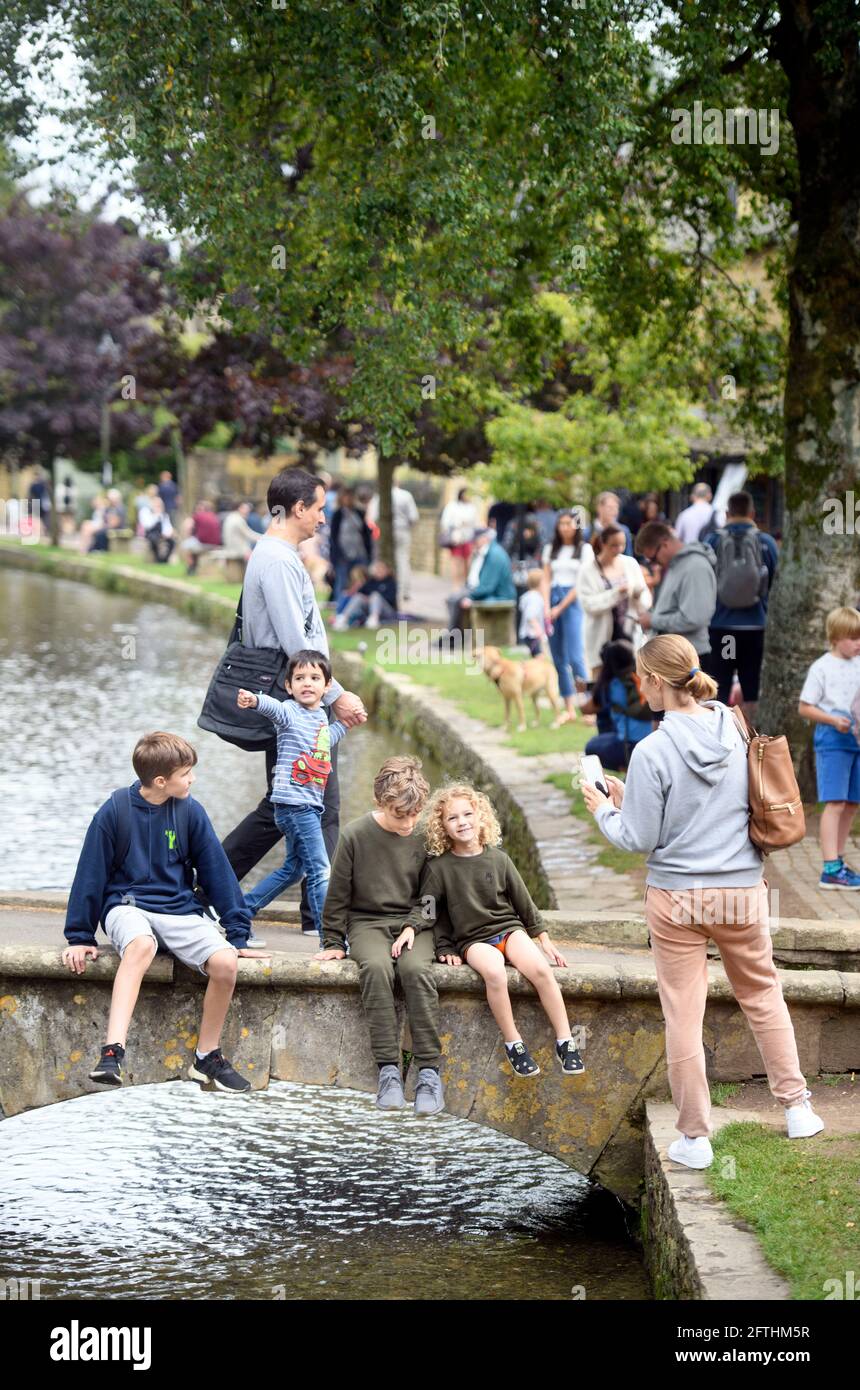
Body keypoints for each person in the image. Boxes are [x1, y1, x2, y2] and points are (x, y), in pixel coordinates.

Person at [582, 634, 823, 1168]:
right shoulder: (733, 724)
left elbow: (637, 838)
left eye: (641, 679)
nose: (637, 686)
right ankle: (798, 1108)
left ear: (655, 681)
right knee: (763, 995)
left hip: (677, 899)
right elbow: (712, 805)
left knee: (683, 1015)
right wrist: (631, 797)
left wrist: (602, 809)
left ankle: (694, 1139)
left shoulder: (653, 749)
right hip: (741, 889)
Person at [61, 732, 269, 1093]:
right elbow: (90, 873)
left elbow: (217, 873)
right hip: (127, 905)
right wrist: (79, 936)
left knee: (226, 962)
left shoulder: (190, 811)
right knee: (141, 945)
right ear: (161, 781)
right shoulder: (115, 811)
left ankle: (207, 1056)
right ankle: (113, 1052)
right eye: (186, 774)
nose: (192, 779)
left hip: (178, 909)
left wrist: (237, 934)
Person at [220, 468, 367, 935]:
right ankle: (311, 915)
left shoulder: (275, 555)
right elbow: (293, 641)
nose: (324, 517)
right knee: (306, 806)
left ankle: (306, 911)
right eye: (319, 507)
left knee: (296, 804)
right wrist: (336, 695)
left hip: (305, 701)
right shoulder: (279, 561)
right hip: (303, 706)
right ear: (298, 508)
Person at [412, 784, 585, 1078]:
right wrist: (443, 947)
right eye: (452, 818)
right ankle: (513, 1043)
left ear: (481, 817)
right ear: (441, 825)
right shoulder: (438, 868)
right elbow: (432, 911)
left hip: (508, 929)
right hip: (473, 939)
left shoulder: (499, 859)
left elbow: (524, 903)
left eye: (468, 814)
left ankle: (565, 1040)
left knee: (541, 970)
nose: (462, 822)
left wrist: (544, 939)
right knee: (494, 972)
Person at [316, 756, 445, 1115]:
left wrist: (412, 926)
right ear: (380, 803)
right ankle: (388, 1070)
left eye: (415, 814)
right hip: (367, 922)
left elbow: (433, 897)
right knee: (375, 968)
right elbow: (338, 892)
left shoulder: (425, 835)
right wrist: (331, 941)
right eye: (400, 815)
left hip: (415, 923)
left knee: (415, 971)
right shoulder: (356, 835)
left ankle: (430, 1072)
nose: (408, 823)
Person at [237, 650, 348, 942]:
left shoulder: (321, 719)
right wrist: (255, 700)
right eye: (299, 678)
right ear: (289, 686)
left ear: (327, 687)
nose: (306, 683)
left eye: (314, 678)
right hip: (294, 806)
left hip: (308, 806)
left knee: (293, 869)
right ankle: (330, 938)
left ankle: (242, 912)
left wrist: (345, 725)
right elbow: (272, 708)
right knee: (321, 869)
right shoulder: (289, 712)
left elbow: (323, 744)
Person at [798, 606, 860, 891]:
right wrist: (834, 720)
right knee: (835, 802)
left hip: (856, 738)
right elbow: (805, 707)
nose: (858, 643)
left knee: (851, 803)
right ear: (836, 637)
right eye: (852, 638)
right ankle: (829, 867)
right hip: (833, 740)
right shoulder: (821, 667)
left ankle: (839, 861)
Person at [702, 491, 778, 720]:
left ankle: (719, 736)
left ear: (727, 514)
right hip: (756, 628)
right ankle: (753, 740)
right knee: (752, 689)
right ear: (752, 513)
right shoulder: (765, 543)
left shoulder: (713, 541)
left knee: (720, 686)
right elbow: (775, 582)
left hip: (722, 628)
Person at [634, 520, 717, 658]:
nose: (654, 565)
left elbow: (694, 619)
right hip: (677, 654)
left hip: (689, 657)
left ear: (665, 544)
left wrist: (652, 620)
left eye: (653, 559)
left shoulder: (695, 567)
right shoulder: (677, 565)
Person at [579, 524, 652, 679]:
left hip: (629, 635)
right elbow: (588, 604)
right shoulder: (588, 570)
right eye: (614, 545)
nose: (619, 549)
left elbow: (645, 598)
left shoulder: (630, 563)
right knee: (602, 682)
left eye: (622, 545)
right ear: (603, 544)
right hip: (601, 638)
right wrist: (616, 593)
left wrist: (637, 594)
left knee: (634, 682)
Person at [542, 509, 593, 724]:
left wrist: (560, 607)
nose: (564, 527)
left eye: (568, 523)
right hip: (552, 598)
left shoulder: (584, 550)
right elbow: (546, 577)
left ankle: (589, 705)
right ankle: (569, 707)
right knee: (558, 658)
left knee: (575, 655)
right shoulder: (551, 549)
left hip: (572, 602)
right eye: (561, 523)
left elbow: (580, 583)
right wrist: (546, 606)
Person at [584, 640, 652, 771]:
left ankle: (626, 766)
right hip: (650, 740)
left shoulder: (613, 685)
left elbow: (587, 709)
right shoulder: (640, 678)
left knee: (591, 747)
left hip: (629, 744)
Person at [444, 525, 516, 635]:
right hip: (488, 591)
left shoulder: (494, 555)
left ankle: (454, 638)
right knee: (453, 598)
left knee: (458, 600)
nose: (473, 544)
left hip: (499, 595)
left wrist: (471, 597)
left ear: (484, 539)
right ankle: (454, 636)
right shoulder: (486, 551)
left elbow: (487, 586)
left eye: (475, 540)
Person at [366, 477, 420, 602]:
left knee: (384, 560)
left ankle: (388, 589)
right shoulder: (406, 495)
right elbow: (413, 517)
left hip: (384, 531)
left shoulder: (379, 497)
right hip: (403, 530)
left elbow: (373, 517)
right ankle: (403, 591)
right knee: (403, 560)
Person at [329, 485, 373, 599]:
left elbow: (366, 535)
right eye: (346, 496)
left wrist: (369, 553)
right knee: (342, 582)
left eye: (350, 496)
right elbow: (333, 537)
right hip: (343, 555)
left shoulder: (359, 513)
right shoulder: (338, 514)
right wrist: (337, 555)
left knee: (361, 581)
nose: (348, 499)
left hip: (359, 552)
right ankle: (339, 608)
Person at [333, 559, 397, 630]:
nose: (379, 571)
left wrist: (372, 599)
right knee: (358, 597)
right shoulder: (372, 581)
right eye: (377, 569)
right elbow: (361, 591)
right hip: (369, 607)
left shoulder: (391, 582)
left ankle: (374, 619)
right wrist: (366, 598)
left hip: (386, 610)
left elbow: (391, 599)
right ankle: (344, 618)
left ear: (387, 570)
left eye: (381, 569)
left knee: (375, 596)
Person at [439, 486, 479, 584]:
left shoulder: (472, 507)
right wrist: (457, 524)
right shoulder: (452, 506)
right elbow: (445, 522)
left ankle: (465, 584)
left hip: (468, 538)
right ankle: (456, 585)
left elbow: (475, 523)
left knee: (467, 563)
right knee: (456, 562)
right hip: (456, 538)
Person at [180, 498, 221, 574]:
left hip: (204, 544)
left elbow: (188, 526)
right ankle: (193, 564)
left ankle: (191, 566)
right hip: (216, 544)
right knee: (192, 545)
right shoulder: (214, 516)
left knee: (185, 545)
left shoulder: (198, 516)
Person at [585, 491, 633, 556]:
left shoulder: (624, 530)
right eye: (610, 508)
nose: (614, 512)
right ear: (599, 508)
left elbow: (628, 556)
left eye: (616, 508)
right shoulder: (587, 532)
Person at [518, 569, 548, 656]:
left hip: (527, 634)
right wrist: (539, 631)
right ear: (540, 584)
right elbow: (530, 616)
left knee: (535, 657)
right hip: (532, 635)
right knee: (539, 658)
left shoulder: (528, 596)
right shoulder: (535, 598)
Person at [143, 494, 175, 564]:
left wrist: (168, 533)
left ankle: (164, 559)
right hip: (151, 534)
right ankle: (157, 558)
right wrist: (156, 516)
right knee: (154, 540)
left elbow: (168, 526)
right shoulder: (147, 513)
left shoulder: (165, 515)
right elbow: (147, 525)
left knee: (172, 542)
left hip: (162, 534)